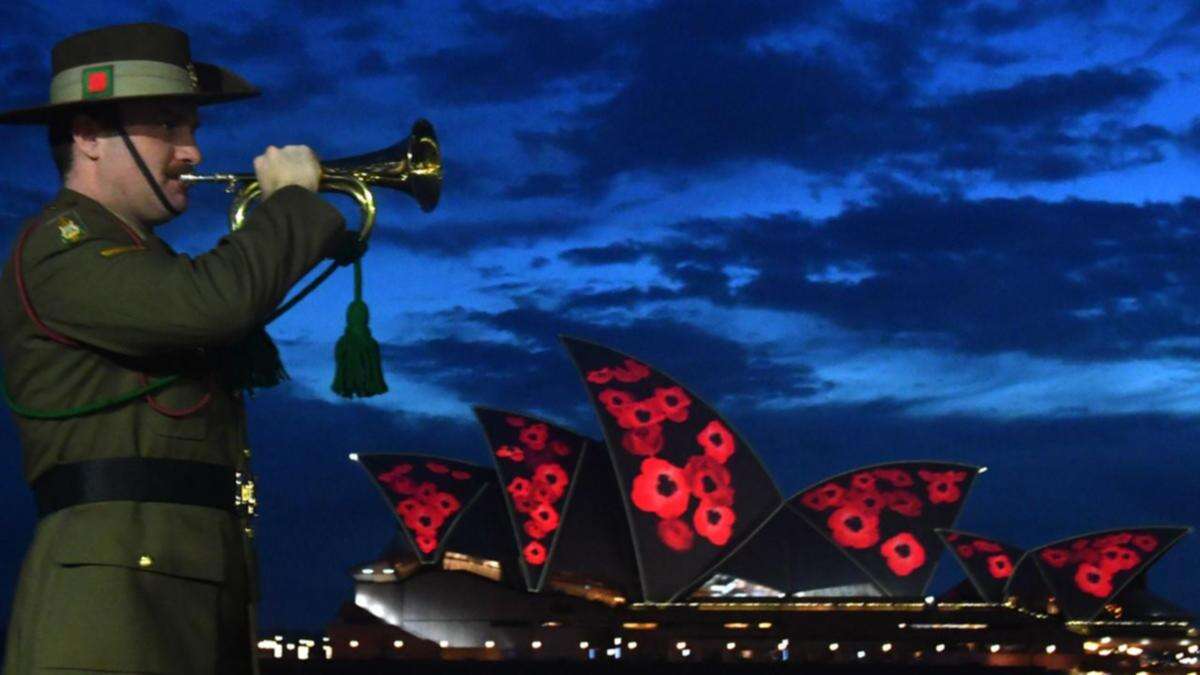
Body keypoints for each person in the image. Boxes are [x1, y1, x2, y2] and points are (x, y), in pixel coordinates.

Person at [0, 23, 351, 674]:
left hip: (180, 590)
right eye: (169, 126)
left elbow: (209, 299)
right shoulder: (61, 246)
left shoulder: (141, 261)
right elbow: (211, 305)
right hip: (111, 604)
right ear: (88, 136)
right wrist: (293, 206)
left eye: (192, 129)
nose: (192, 152)